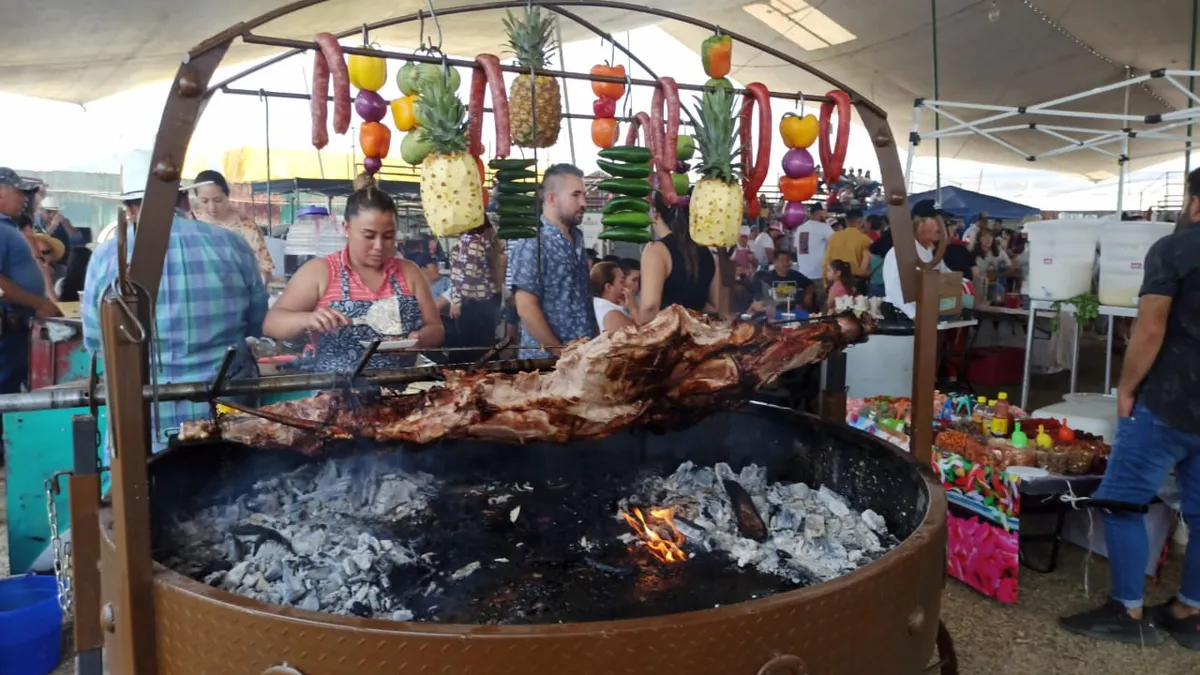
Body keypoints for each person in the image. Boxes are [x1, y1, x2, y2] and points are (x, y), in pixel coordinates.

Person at [1059, 167, 1200, 649]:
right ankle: (1189, 611)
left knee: (1122, 500)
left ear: (1195, 204)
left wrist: (1126, 386)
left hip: (1168, 399)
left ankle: (1128, 608)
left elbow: (1151, 328)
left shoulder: (1175, 249)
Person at [82, 173, 267, 452]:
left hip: (145, 416)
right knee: (237, 485)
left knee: (147, 486)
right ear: (183, 199)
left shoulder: (107, 255)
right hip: (227, 408)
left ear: (130, 208)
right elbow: (257, 321)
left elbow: (97, 342)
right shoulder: (231, 244)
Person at [263, 178, 444, 370]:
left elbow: (436, 328)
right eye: (368, 236)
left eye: (388, 236)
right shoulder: (320, 272)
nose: (379, 246)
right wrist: (307, 319)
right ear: (346, 229)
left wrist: (419, 339)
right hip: (335, 391)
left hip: (400, 389)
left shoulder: (409, 272)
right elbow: (272, 323)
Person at [508, 164, 597, 357]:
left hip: (582, 358)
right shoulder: (532, 241)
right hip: (546, 364)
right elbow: (525, 305)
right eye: (575, 195)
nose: (583, 203)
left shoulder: (576, 239)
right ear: (551, 199)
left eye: (584, 195)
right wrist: (560, 353)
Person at [0, 168, 61, 395]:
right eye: (19, 192)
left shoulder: (8, 227)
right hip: (6, 332)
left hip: (14, 331)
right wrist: (38, 303)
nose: (25, 198)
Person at [639, 190, 720, 318]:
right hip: (698, 333)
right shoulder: (707, 252)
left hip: (666, 333)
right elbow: (715, 306)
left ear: (655, 214)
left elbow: (650, 307)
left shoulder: (656, 250)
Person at [191, 170, 276, 282]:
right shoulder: (191, 224)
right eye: (204, 201)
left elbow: (264, 270)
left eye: (218, 200)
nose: (212, 207)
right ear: (197, 199)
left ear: (227, 196)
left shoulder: (246, 228)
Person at [882, 200, 949, 320]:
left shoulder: (929, 251)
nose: (941, 225)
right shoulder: (901, 251)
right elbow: (894, 289)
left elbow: (945, 275)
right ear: (919, 222)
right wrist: (915, 316)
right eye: (935, 220)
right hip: (903, 318)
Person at [448, 222, 501, 354]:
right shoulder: (487, 243)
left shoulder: (471, 241)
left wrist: (456, 301)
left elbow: (467, 275)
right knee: (485, 348)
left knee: (471, 351)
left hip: (473, 305)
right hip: (487, 303)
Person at [751, 250, 816, 314]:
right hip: (773, 312)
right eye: (782, 261)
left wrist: (808, 296)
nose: (785, 263)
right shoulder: (765, 277)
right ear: (775, 262)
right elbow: (757, 299)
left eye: (788, 260)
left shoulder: (795, 275)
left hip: (794, 311)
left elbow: (810, 285)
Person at [823, 208, 872, 291]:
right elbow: (867, 267)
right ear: (861, 221)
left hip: (836, 281)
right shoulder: (865, 240)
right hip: (856, 283)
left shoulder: (834, 237)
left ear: (846, 221)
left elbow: (826, 262)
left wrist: (826, 284)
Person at [591, 261, 640, 332]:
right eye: (621, 281)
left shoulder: (597, 304)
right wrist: (634, 308)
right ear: (608, 287)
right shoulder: (612, 313)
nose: (625, 286)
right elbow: (641, 338)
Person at [971, 227, 1014, 302]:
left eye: (990, 236)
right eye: (985, 236)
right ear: (979, 239)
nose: (988, 239)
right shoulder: (972, 252)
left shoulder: (999, 252)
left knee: (998, 288)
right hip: (974, 285)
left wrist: (998, 275)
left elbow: (1011, 267)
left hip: (990, 285)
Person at [793, 203, 833, 282]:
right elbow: (837, 242)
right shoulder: (824, 227)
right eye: (825, 212)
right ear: (819, 213)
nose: (826, 215)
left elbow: (796, 248)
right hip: (819, 274)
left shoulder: (800, 228)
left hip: (803, 274)